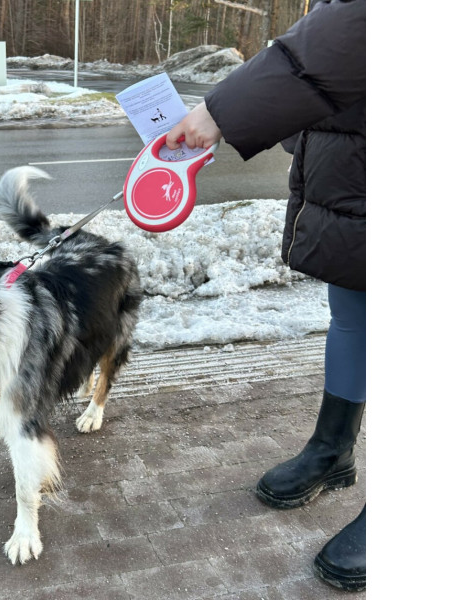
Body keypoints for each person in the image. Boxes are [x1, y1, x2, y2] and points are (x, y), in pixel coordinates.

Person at [166, 0, 365, 592]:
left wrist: (221, 110)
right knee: (351, 315)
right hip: (362, 173)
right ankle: (332, 450)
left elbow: (348, 32)